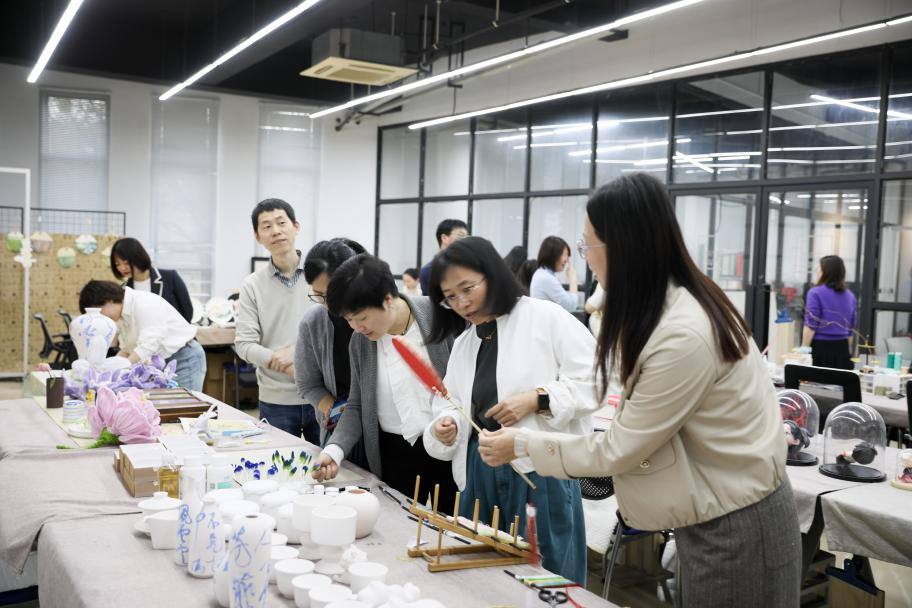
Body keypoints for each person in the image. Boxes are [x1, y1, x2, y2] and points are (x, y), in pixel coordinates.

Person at [476, 173, 801, 607]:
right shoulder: (670, 304)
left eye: (588, 245)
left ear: (623, 246)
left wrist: (524, 443)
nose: (586, 258)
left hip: (737, 525)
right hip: (716, 510)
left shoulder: (683, 334)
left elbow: (619, 449)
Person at [422, 236, 598, 584]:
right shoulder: (466, 342)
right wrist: (448, 422)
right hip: (481, 472)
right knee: (483, 574)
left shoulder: (544, 317)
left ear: (492, 274)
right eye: (450, 297)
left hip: (538, 473)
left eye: (467, 289)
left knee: (545, 576)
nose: (461, 303)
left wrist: (538, 399)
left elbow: (596, 381)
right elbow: (450, 400)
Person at [312, 254, 458, 512]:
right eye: (348, 319)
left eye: (361, 317)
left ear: (388, 299)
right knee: (397, 523)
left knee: (449, 526)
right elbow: (357, 406)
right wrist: (333, 450)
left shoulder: (440, 316)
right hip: (393, 453)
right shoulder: (360, 343)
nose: (356, 327)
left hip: (447, 445)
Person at [235, 198, 319, 444]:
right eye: (267, 226)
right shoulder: (252, 285)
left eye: (281, 223)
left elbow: (337, 327)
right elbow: (244, 345)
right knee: (278, 464)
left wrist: (296, 352)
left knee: (329, 465)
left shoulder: (321, 276)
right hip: (276, 400)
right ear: (258, 236)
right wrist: (282, 362)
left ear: (296, 226)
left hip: (322, 394)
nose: (276, 231)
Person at [294, 238, 371, 466]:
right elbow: (307, 384)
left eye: (332, 294)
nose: (327, 303)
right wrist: (336, 410)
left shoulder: (375, 318)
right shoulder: (313, 322)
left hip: (381, 430)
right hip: (338, 428)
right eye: (318, 295)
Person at [78, 280, 206, 390]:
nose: (100, 318)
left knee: (184, 407)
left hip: (183, 357)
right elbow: (127, 350)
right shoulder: (121, 316)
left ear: (109, 301)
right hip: (161, 362)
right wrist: (107, 369)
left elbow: (148, 346)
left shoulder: (144, 303)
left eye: (99, 312)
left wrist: (121, 368)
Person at [110, 237, 194, 322]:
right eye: (117, 264)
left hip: (175, 330)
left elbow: (187, 311)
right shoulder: (124, 290)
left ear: (138, 257)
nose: (122, 268)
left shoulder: (170, 277)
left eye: (126, 263)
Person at [802, 255, 856, 370]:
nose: (817, 271)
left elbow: (811, 325)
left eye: (819, 268)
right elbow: (850, 330)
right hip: (842, 349)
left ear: (825, 272)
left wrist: (804, 349)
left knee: (817, 381)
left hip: (820, 349)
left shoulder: (815, 293)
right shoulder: (850, 296)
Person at [419, 219, 469, 295]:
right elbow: (431, 301)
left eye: (466, 237)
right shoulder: (429, 270)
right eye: (461, 236)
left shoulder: (468, 265)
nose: (465, 241)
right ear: (444, 238)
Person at [529, 236, 579, 311]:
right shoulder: (546, 278)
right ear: (552, 255)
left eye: (567, 255)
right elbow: (571, 306)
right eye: (563, 254)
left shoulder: (542, 274)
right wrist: (573, 280)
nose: (566, 260)